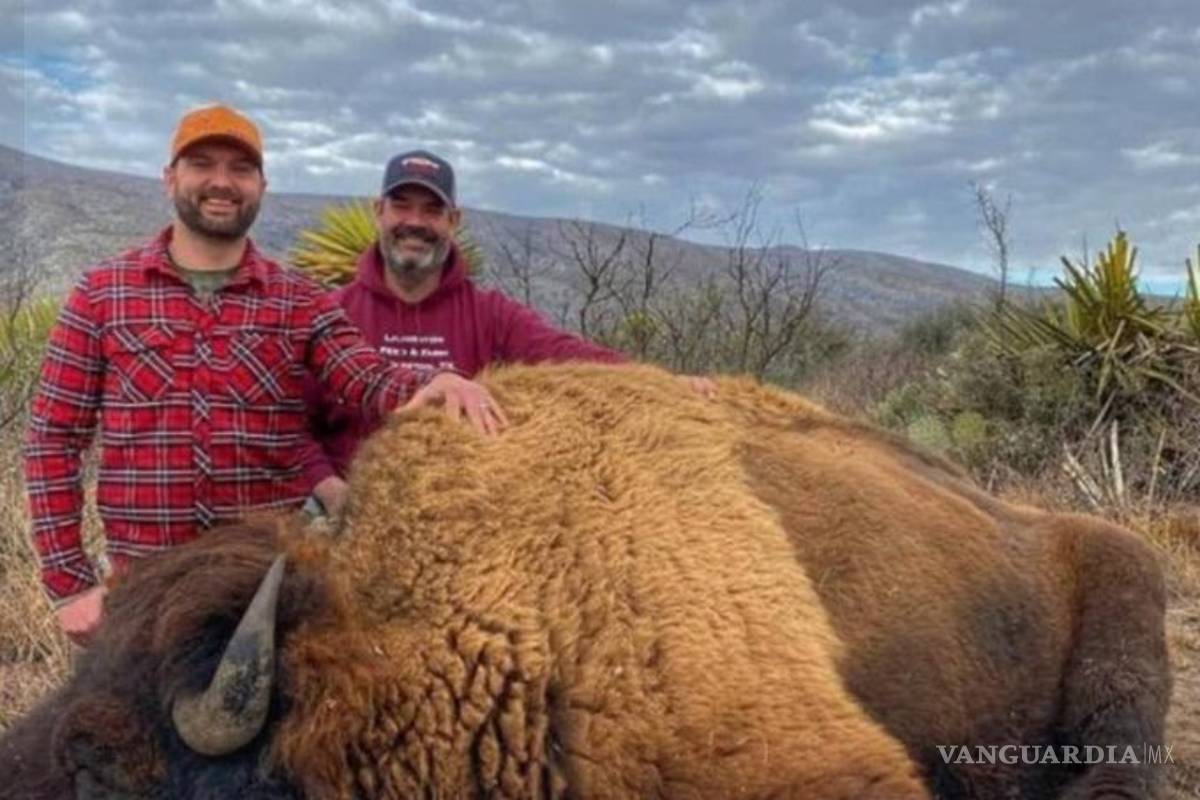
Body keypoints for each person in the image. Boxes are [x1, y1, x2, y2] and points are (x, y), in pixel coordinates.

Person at [24, 106, 504, 645]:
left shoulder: (298, 299)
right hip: (143, 590)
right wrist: (69, 584)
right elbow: (53, 441)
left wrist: (435, 382)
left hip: (265, 593)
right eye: (202, 163)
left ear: (261, 186)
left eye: (241, 169)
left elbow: (365, 377)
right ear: (170, 178)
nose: (222, 182)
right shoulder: (102, 294)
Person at [303, 150, 716, 517]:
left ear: (453, 221)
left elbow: (566, 356)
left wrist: (658, 385)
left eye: (431, 210)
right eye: (401, 206)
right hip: (349, 510)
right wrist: (335, 494)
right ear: (380, 211)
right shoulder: (332, 313)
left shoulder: (489, 314)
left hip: (465, 515)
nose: (415, 222)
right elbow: (290, 427)